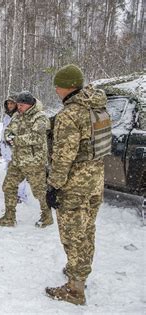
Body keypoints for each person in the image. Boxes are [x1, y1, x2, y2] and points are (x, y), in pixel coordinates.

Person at [45, 64, 111, 305]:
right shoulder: (99, 107)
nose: (56, 90)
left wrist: (53, 186)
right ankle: (81, 271)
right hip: (95, 180)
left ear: (68, 87)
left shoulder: (70, 114)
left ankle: (75, 290)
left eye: (58, 86)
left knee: (73, 234)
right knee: (87, 230)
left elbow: (63, 157)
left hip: (75, 184)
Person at [0, 91, 53, 228]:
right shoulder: (17, 116)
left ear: (30, 105)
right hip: (18, 161)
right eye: (18, 105)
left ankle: (47, 216)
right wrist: (8, 137)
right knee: (8, 186)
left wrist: (16, 140)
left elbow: (37, 137)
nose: (18, 107)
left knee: (39, 192)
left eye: (22, 105)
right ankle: (9, 217)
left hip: (34, 162)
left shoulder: (40, 117)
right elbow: (8, 130)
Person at [0, 95, 29, 203]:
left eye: (12, 103)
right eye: (8, 104)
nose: (10, 105)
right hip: (7, 150)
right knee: (10, 172)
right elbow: (3, 132)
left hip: (17, 149)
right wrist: (0, 146)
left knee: (20, 173)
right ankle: (12, 193)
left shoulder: (21, 116)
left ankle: (21, 195)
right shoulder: (6, 116)